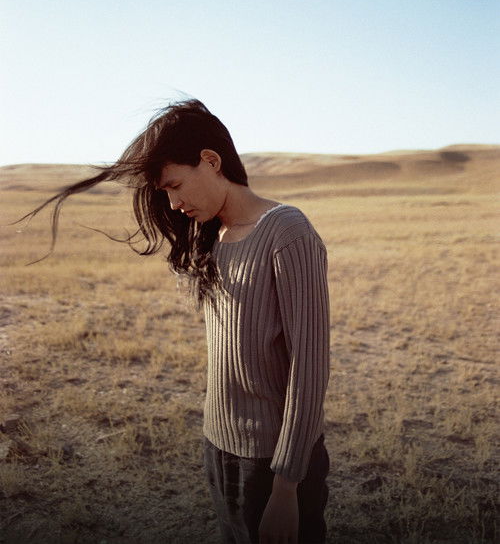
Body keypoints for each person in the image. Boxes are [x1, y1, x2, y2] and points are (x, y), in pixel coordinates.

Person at [17, 98, 331, 544]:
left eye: (176, 185)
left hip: (274, 462)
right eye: (165, 192)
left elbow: (310, 367)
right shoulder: (213, 235)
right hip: (218, 446)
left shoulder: (286, 231)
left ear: (211, 160)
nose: (174, 202)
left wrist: (286, 486)